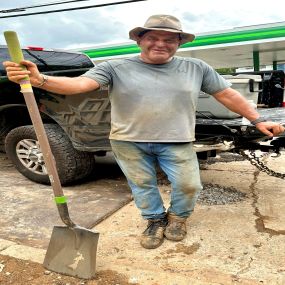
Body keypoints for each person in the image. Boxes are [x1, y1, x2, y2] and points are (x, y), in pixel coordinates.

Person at [3, 14, 284, 249]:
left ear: (178, 43)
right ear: (140, 40)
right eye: (153, 37)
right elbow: (78, 86)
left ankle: (177, 218)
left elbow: (227, 95)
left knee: (189, 185)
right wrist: (39, 79)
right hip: (128, 141)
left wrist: (257, 119)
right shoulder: (115, 67)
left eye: (169, 39)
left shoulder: (196, 67)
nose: (160, 44)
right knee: (142, 185)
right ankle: (154, 220)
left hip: (177, 140)